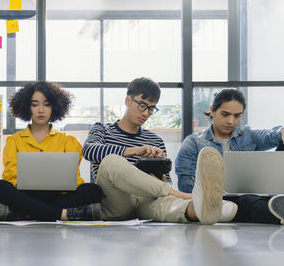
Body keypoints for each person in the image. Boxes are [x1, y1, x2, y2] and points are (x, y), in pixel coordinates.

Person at [83, 77, 235, 224]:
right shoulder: (102, 129)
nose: (146, 113)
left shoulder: (155, 140)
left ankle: (199, 209)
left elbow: (166, 181)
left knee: (165, 206)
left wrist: (160, 179)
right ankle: (186, 196)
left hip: (146, 200)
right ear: (128, 100)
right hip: (115, 201)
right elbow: (89, 151)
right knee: (111, 161)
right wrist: (134, 151)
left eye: (151, 108)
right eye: (142, 105)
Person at [176, 88, 284, 225]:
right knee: (246, 202)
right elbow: (185, 186)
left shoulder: (247, 135)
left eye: (237, 116)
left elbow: (271, 135)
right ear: (212, 110)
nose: (231, 121)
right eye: (225, 114)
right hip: (224, 202)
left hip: (261, 195)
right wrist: (216, 191)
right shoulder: (193, 143)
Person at [0, 81, 103, 221]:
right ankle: (62, 214)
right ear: (26, 106)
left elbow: (74, 181)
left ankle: (25, 213)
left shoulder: (69, 141)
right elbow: (11, 178)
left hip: (57, 195)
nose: (41, 110)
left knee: (93, 191)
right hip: (25, 194)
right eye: (35, 105)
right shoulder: (14, 140)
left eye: (47, 104)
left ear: (54, 107)